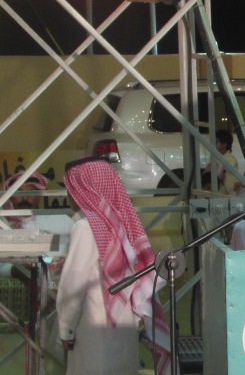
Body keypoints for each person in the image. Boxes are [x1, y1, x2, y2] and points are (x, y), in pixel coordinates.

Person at [57, 157, 170, 374]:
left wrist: (66, 328)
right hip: (123, 326)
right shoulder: (121, 223)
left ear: (85, 189)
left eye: (71, 188)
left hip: (94, 330)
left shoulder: (85, 227)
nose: (69, 194)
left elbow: (73, 283)